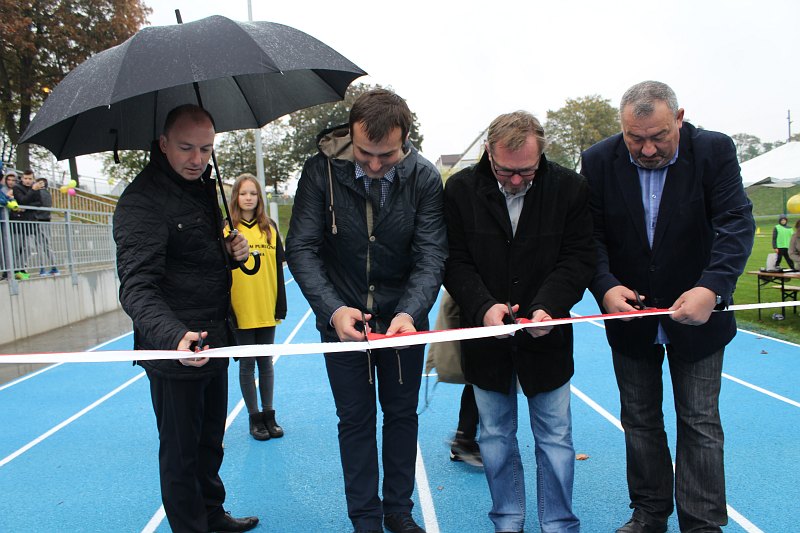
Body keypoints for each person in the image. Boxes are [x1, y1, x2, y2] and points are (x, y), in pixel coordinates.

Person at [581, 81, 755, 533]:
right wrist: (605, 287)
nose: (647, 148)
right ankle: (649, 513)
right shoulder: (599, 160)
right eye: (635, 138)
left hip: (699, 315)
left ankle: (702, 524)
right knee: (639, 421)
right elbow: (590, 237)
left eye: (658, 136)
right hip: (630, 317)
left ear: (679, 118)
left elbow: (735, 221)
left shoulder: (714, 151)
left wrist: (712, 288)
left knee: (699, 422)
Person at [285, 89, 447, 533]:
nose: (375, 165)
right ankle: (364, 519)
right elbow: (300, 247)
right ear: (349, 136)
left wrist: (410, 312)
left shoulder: (425, 178)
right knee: (355, 420)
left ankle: (398, 511)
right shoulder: (321, 172)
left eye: (387, 155)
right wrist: (334, 309)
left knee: (401, 415)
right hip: (341, 319)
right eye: (364, 153)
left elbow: (432, 254)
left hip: (402, 322)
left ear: (406, 140)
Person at [444, 111, 594, 533]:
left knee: (555, 438)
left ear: (541, 153)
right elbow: (453, 261)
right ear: (488, 152)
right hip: (486, 339)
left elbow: (580, 257)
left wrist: (550, 305)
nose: (515, 181)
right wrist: (483, 306)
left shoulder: (570, 188)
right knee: (494, 437)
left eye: (526, 171)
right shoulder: (459, 190)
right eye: (506, 171)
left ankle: (560, 525)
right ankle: (507, 521)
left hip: (548, 338)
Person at [113, 104, 259, 533]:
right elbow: (136, 286)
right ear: (162, 145)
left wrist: (231, 254)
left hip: (214, 338)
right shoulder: (141, 202)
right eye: (186, 148)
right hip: (174, 348)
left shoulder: (202, 189)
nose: (198, 159)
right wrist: (174, 336)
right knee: (180, 453)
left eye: (206, 148)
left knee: (210, 441)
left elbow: (194, 262)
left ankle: (212, 515)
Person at [228, 173, 287, 441]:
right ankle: (254, 419)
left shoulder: (270, 228)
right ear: (236, 197)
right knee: (246, 366)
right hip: (241, 309)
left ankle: (269, 414)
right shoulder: (228, 230)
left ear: (259, 197)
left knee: (267, 364)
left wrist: (280, 306)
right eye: (243, 193)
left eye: (253, 193)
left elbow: (278, 271)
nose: (249, 197)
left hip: (266, 307)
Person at [11, 169, 45, 280]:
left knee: (29, 248)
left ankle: (21, 267)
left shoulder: (35, 188)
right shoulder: (17, 188)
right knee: (17, 247)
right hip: (19, 222)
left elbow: (39, 203)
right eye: (25, 178)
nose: (27, 181)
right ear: (22, 178)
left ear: (33, 179)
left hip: (31, 222)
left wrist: (26, 206)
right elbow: (21, 200)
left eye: (30, 179)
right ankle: (15, 269)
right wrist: (32, 192)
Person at [33, 176, 59, 276]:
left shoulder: (40, 193)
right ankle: (53, 267)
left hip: (40, 220)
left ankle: (43, 268)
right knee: (46, 245)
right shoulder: (47, 193)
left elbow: (38, 206)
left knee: (41, 246)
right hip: (46, 220)